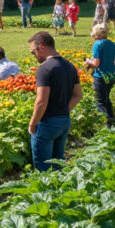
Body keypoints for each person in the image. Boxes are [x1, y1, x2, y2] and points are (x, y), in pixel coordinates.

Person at [27, 31, 83, 171]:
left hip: (46, 123)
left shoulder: (44, 69)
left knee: (44, 169)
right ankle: (61, 191)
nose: (34, 56)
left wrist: (33, 123)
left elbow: (41, 101)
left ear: (42, 47)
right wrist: (63, 109)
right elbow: (78, 95)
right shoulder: (70, 66)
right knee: (58, 165)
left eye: (33, 52)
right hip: (64, 120)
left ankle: (49, 192)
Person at [85, 24, 115, 127]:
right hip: (111, 77)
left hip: (100, 77)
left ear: (95, 34)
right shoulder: (111, 44)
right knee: (106, 98)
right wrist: (114, 71)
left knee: (98, 101)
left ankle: (105, 121)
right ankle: (111, 119)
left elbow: (96, 64)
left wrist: (88, 61)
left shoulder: (97, 44)